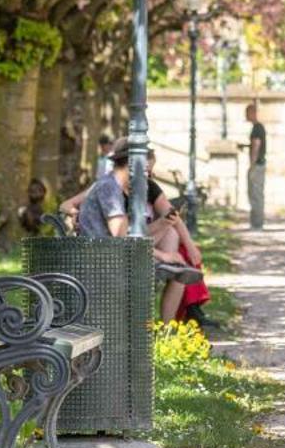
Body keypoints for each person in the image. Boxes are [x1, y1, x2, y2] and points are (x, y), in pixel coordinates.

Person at [60, 140, 155, 239]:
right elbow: (121, 236)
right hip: (100, 252)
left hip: (107, 250)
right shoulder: (109, 188)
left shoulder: (112, 185)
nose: (147, 176)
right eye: (145, 169)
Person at [148, 189, 210, 327]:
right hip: (130, 251)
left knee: (180, 271)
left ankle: (167, 331)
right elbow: (126, 237)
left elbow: (174, 217)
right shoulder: (117, 191)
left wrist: (190, 246)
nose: (148, 173)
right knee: (168, 229)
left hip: (150, 247)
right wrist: (163, 255)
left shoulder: (149, 186)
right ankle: (191, 309)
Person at [245, 103, 268, 229]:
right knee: (255, 194)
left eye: (247, 113)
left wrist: (252, 164)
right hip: (259, 164)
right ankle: (256, 223)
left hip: (257, 165)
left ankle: (257, 224)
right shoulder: (258, 127)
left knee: (256, 195)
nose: (246, 116)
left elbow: (256, 145)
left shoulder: (257, 128)